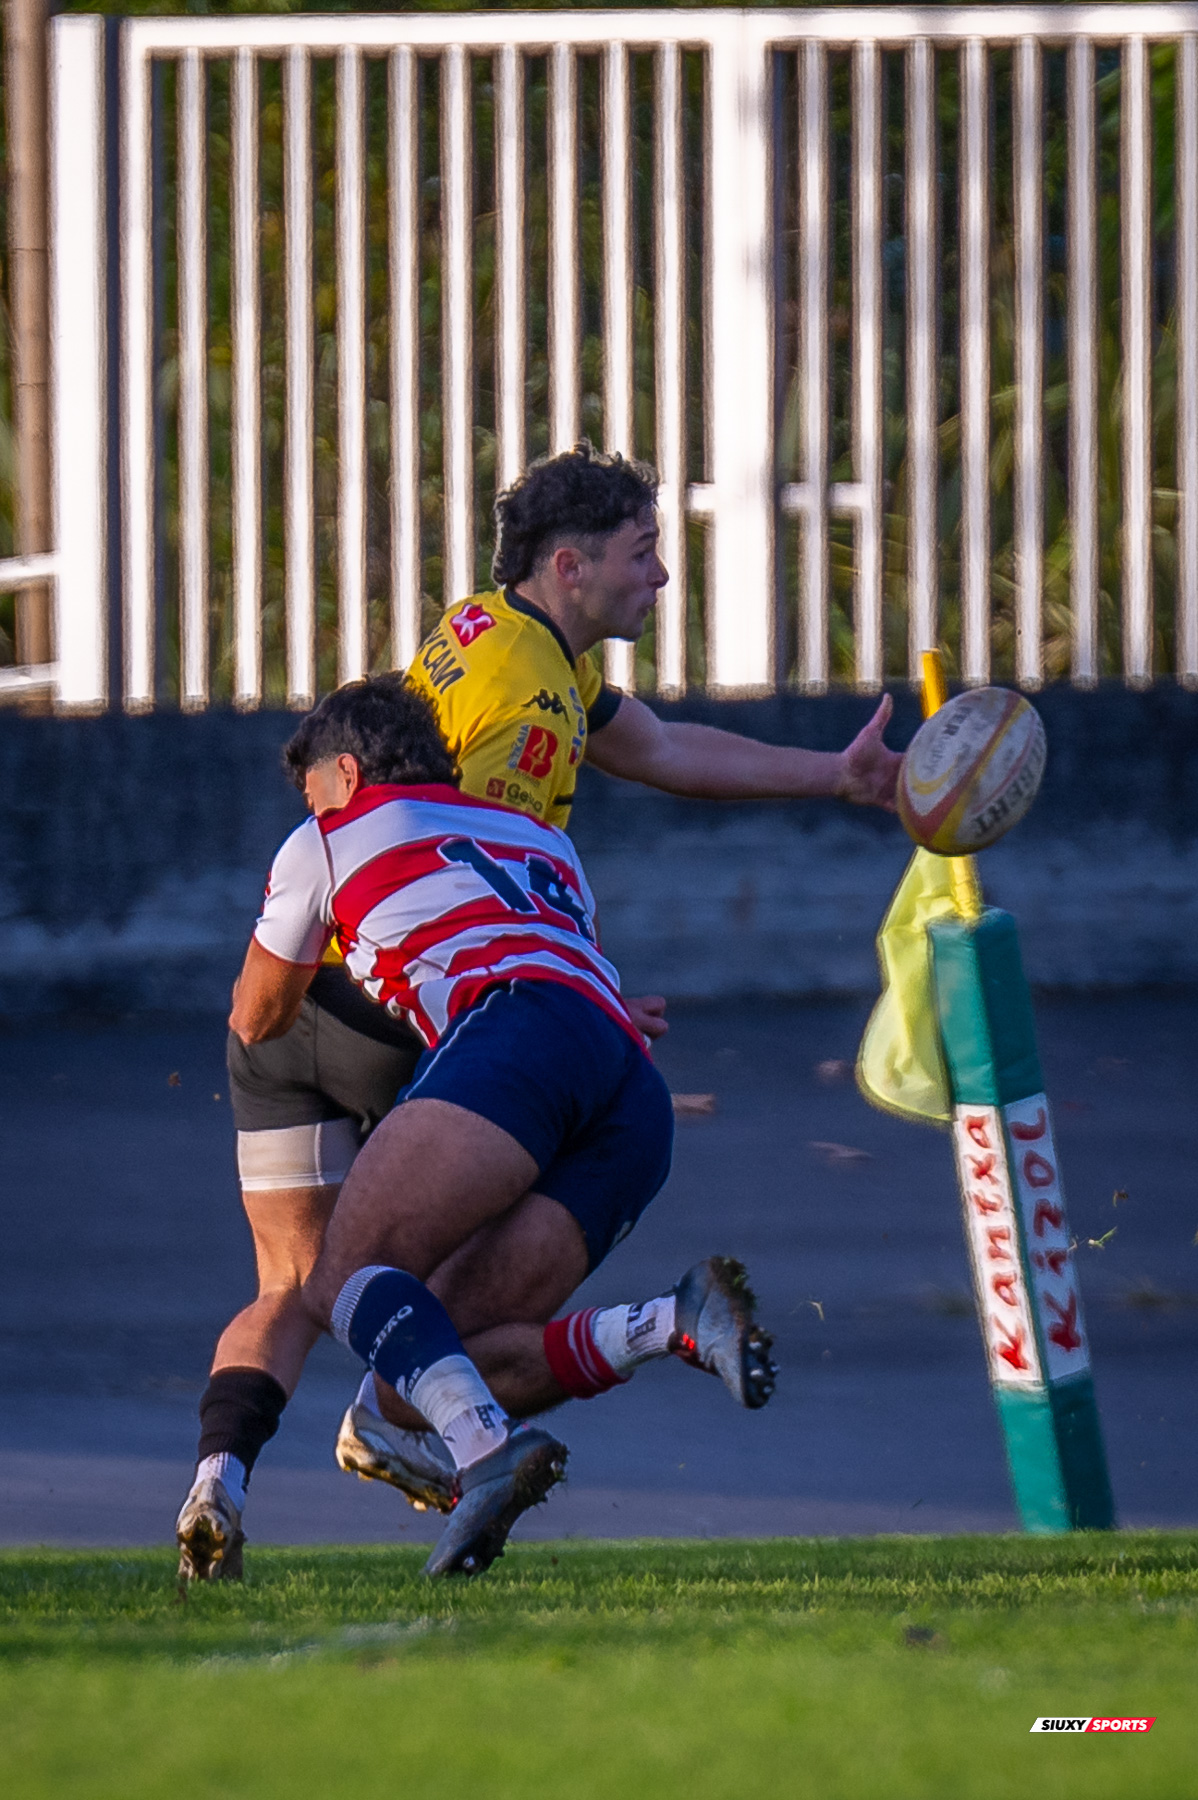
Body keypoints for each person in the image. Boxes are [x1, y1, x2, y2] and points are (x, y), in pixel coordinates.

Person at [177, 444, 900, 1572]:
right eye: (642, 553)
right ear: (570, 565)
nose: (660, 576)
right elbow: (454, 863)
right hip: (410, 1009)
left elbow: (658, 746)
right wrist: (569, 978)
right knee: (381, 1287)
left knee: (326, 1290)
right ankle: (439, 1418)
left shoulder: (494, 629)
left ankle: (276, 1469)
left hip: (386, 1001)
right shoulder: (529, 710)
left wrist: (835, 775)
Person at [177, 676, 776, 1580]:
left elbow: (257, 1017)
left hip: (517, 1034)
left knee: (344, 1276)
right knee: (422, 1365)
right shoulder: (542, 837)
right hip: (631, 1089)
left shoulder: (325, 839)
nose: (310, 807)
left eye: (314, 790)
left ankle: (488, 1453)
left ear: (346, 773)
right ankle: (669, 1321)